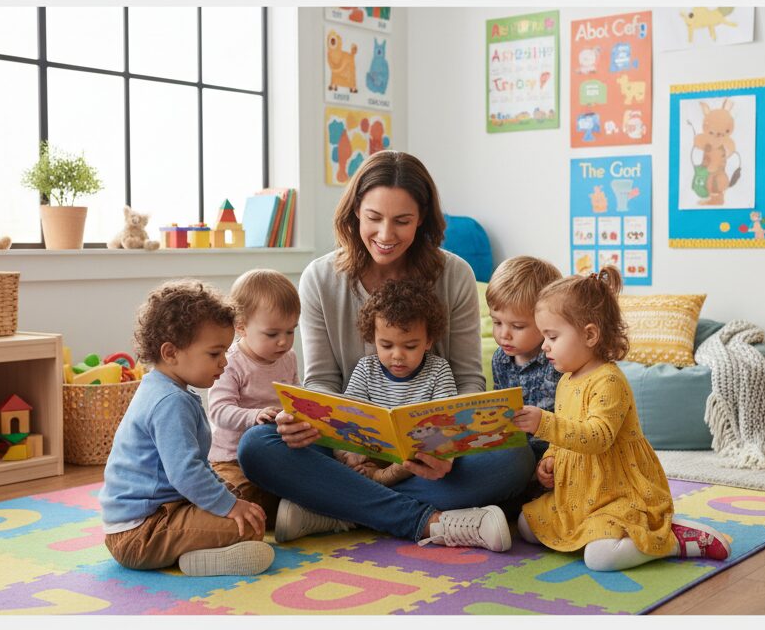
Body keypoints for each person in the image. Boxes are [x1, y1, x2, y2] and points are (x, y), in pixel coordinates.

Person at [238, 150, 535, 552]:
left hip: (432, 451)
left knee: (513, 460)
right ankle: (425, 521)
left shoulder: (456, 276)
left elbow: (468, 381)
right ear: (355, 212)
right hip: (347, 447)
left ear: (424, 220)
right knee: (258, 447)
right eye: (374, 218)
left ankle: (333, 510)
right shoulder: (320, 279)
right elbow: (322, 382)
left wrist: (447, 446)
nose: (385, 234)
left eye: (402, 221)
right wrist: (305, 422)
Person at [512, 269, 732, 572]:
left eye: (552, 337)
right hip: (577, 494)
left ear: (590, 335)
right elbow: (566, 435)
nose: (544, 346)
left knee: (599, 558)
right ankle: (617, 533)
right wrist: (549, 460)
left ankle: (671, 541)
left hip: (615, 492)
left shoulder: (608, 380)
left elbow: (596, 437)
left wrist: (543, 423)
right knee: (526, 525)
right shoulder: (566, 380)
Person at [99, 280, 273, 577]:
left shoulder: (165, 388)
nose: (225, 362)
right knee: (248, 526)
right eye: (214, 354)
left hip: (162, 513)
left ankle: (205, 545)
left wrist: (230, 499)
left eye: (226, 352)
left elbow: (194, 468)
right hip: (140, 534)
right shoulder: (169, 402)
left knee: (248, 509)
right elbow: (186, 472)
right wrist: (230, 507)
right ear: (171, 353)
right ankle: (198, 561)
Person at [340, 278, 457, 486]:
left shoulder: (438, 370)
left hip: (414, 464)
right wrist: (350, 452)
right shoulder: (366, 369)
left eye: (410, 346)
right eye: (386, 345)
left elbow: (446, 426)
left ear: (428, 341)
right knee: (334, 446)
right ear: (373, 338)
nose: (397, 356)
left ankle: (381, 482)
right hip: (371, 455)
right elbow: (348, 418)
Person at [208, 269, 300, 519]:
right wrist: (254, 416)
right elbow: (219, 411)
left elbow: (296, 398)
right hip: (230, 459)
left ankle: (291, 511)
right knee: (241, 498)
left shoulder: (288, 358)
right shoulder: (230, 362)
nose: (284, 342)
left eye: (291, 331)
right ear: (241, 327)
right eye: (272, 334)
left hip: (274, 452)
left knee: (305, 485)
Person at [486, 255, 562, 462]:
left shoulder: (558, 361)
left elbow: (573, 421)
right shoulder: (500, 359)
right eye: (497, 322)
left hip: (555, 453)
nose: (504, 334)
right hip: (514, 450)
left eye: (517, 326)